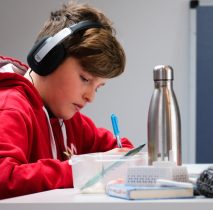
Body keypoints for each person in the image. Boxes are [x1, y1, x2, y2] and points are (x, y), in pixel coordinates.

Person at [0, 1, 134, 199]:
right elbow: (4, 178)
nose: (90, 97)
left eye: (98, 88)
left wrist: (124, 157)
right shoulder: (11, 107)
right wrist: (82, 169)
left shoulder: (70, 121)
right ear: (49, 59)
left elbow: (119, 149)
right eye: (85, 79)